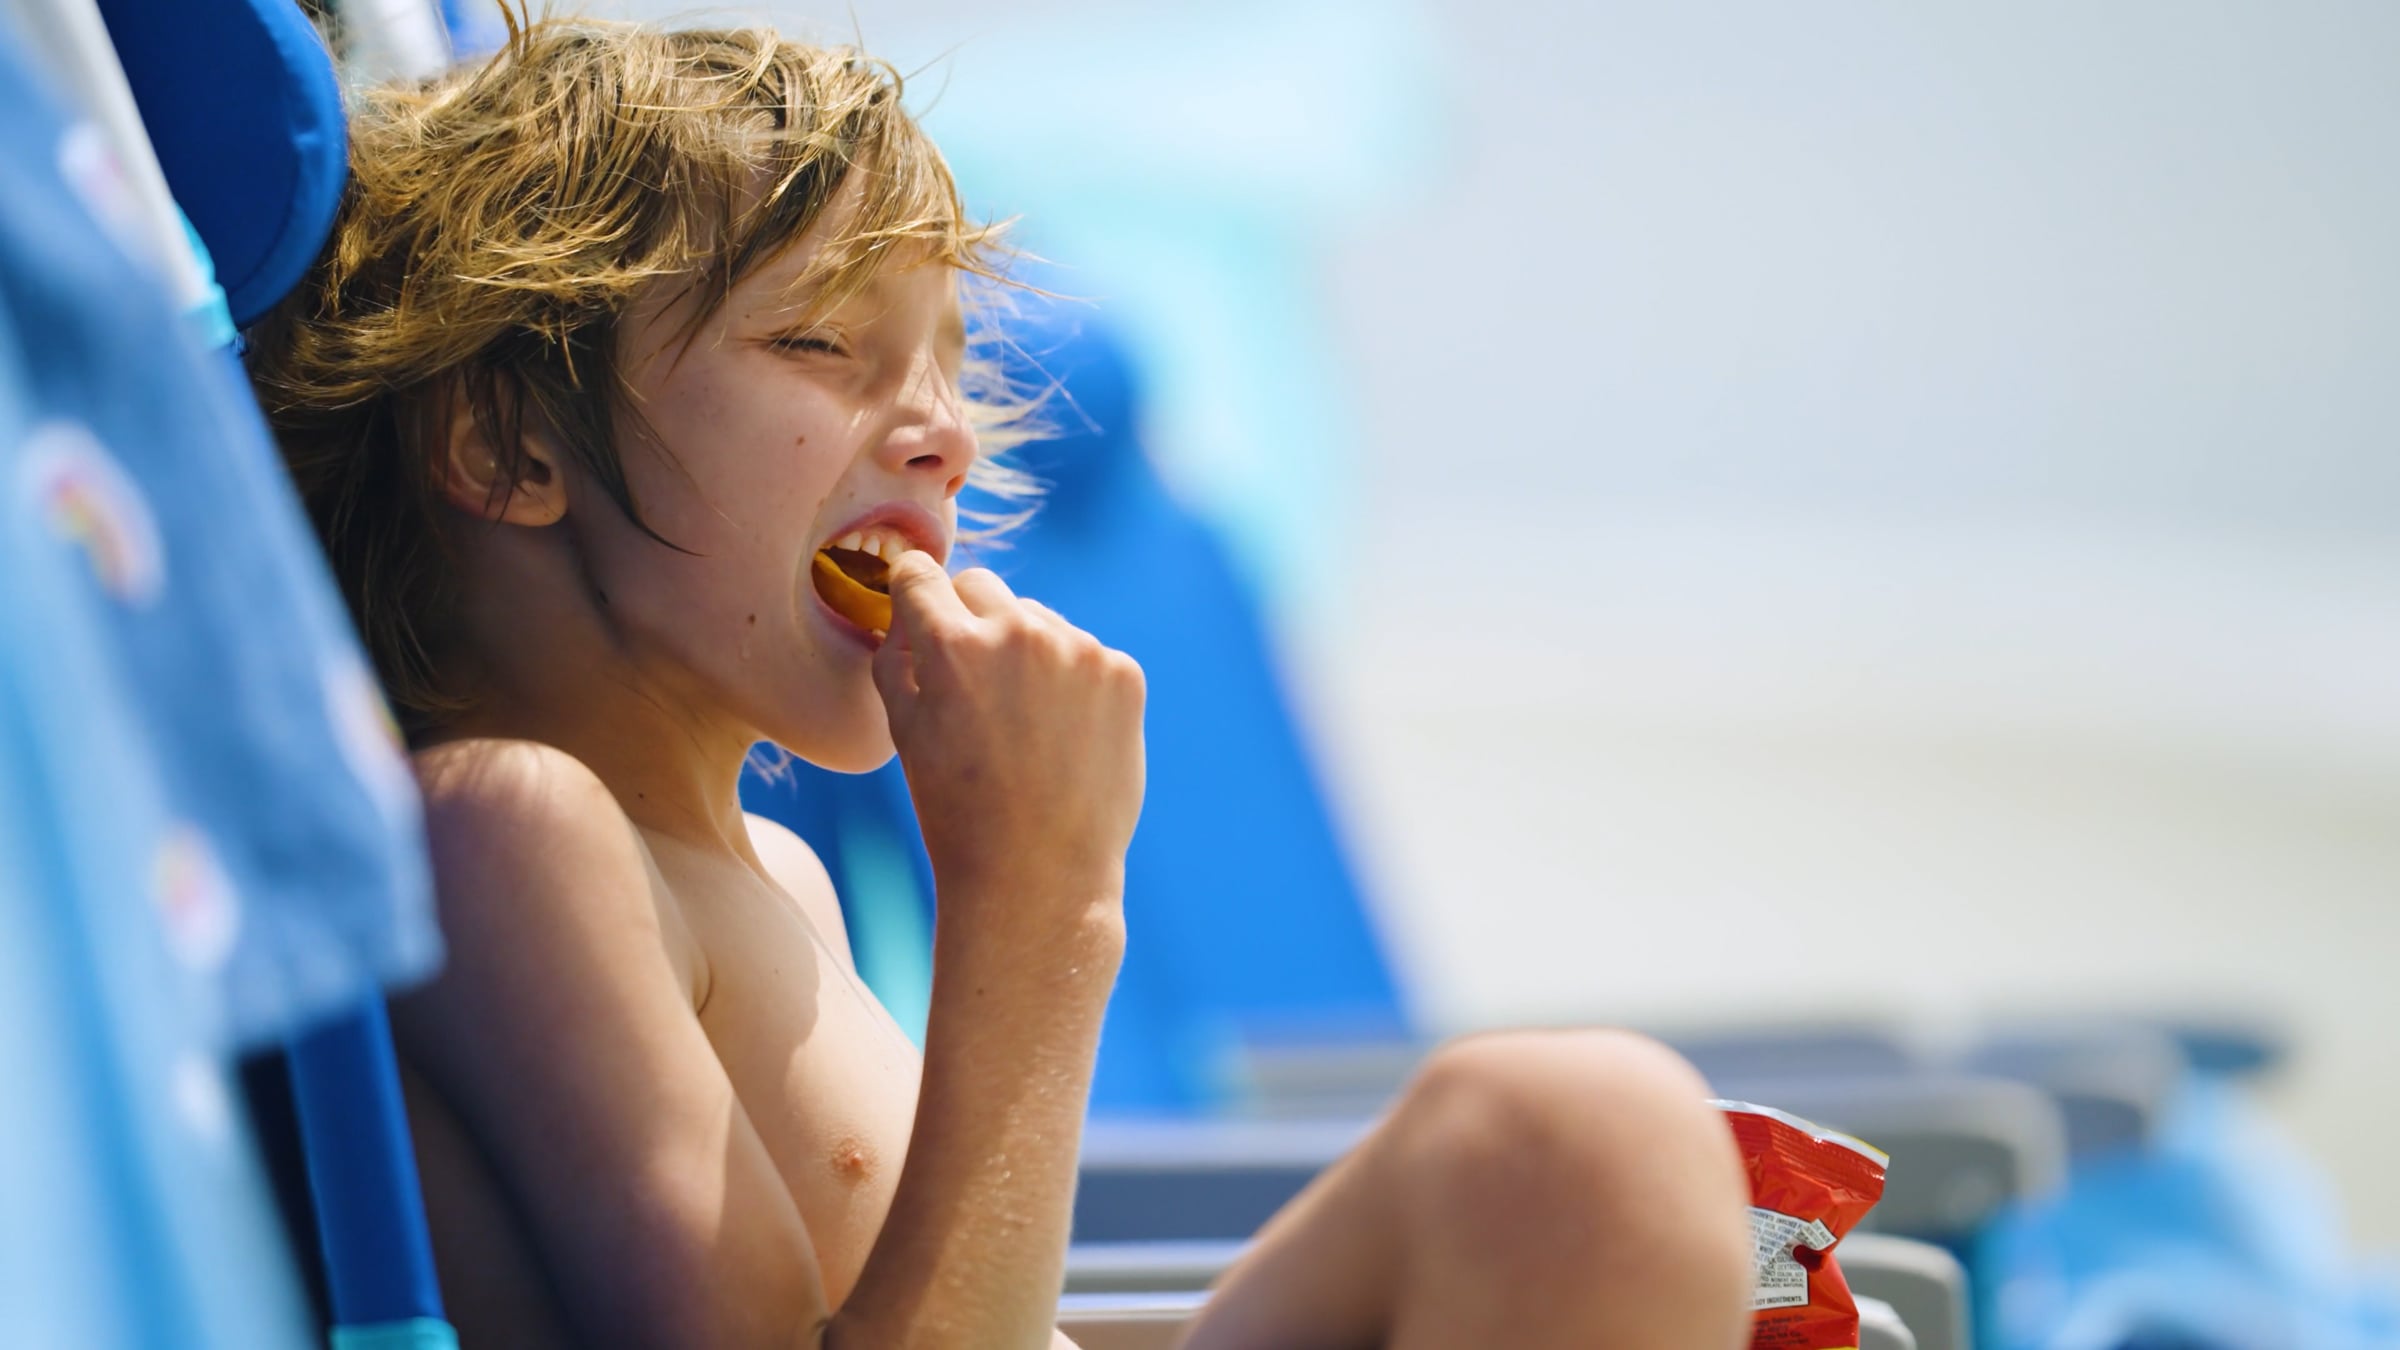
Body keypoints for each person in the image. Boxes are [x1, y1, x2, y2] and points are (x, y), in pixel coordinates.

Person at [246, 14, 1752, 1348]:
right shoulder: (510, 833)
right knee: (1583, 1142)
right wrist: (1041, 912)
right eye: (818, 340)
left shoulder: (773, 875)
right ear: (508, 447)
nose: (945, 436)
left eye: (950, 369)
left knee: (1557, 1143)